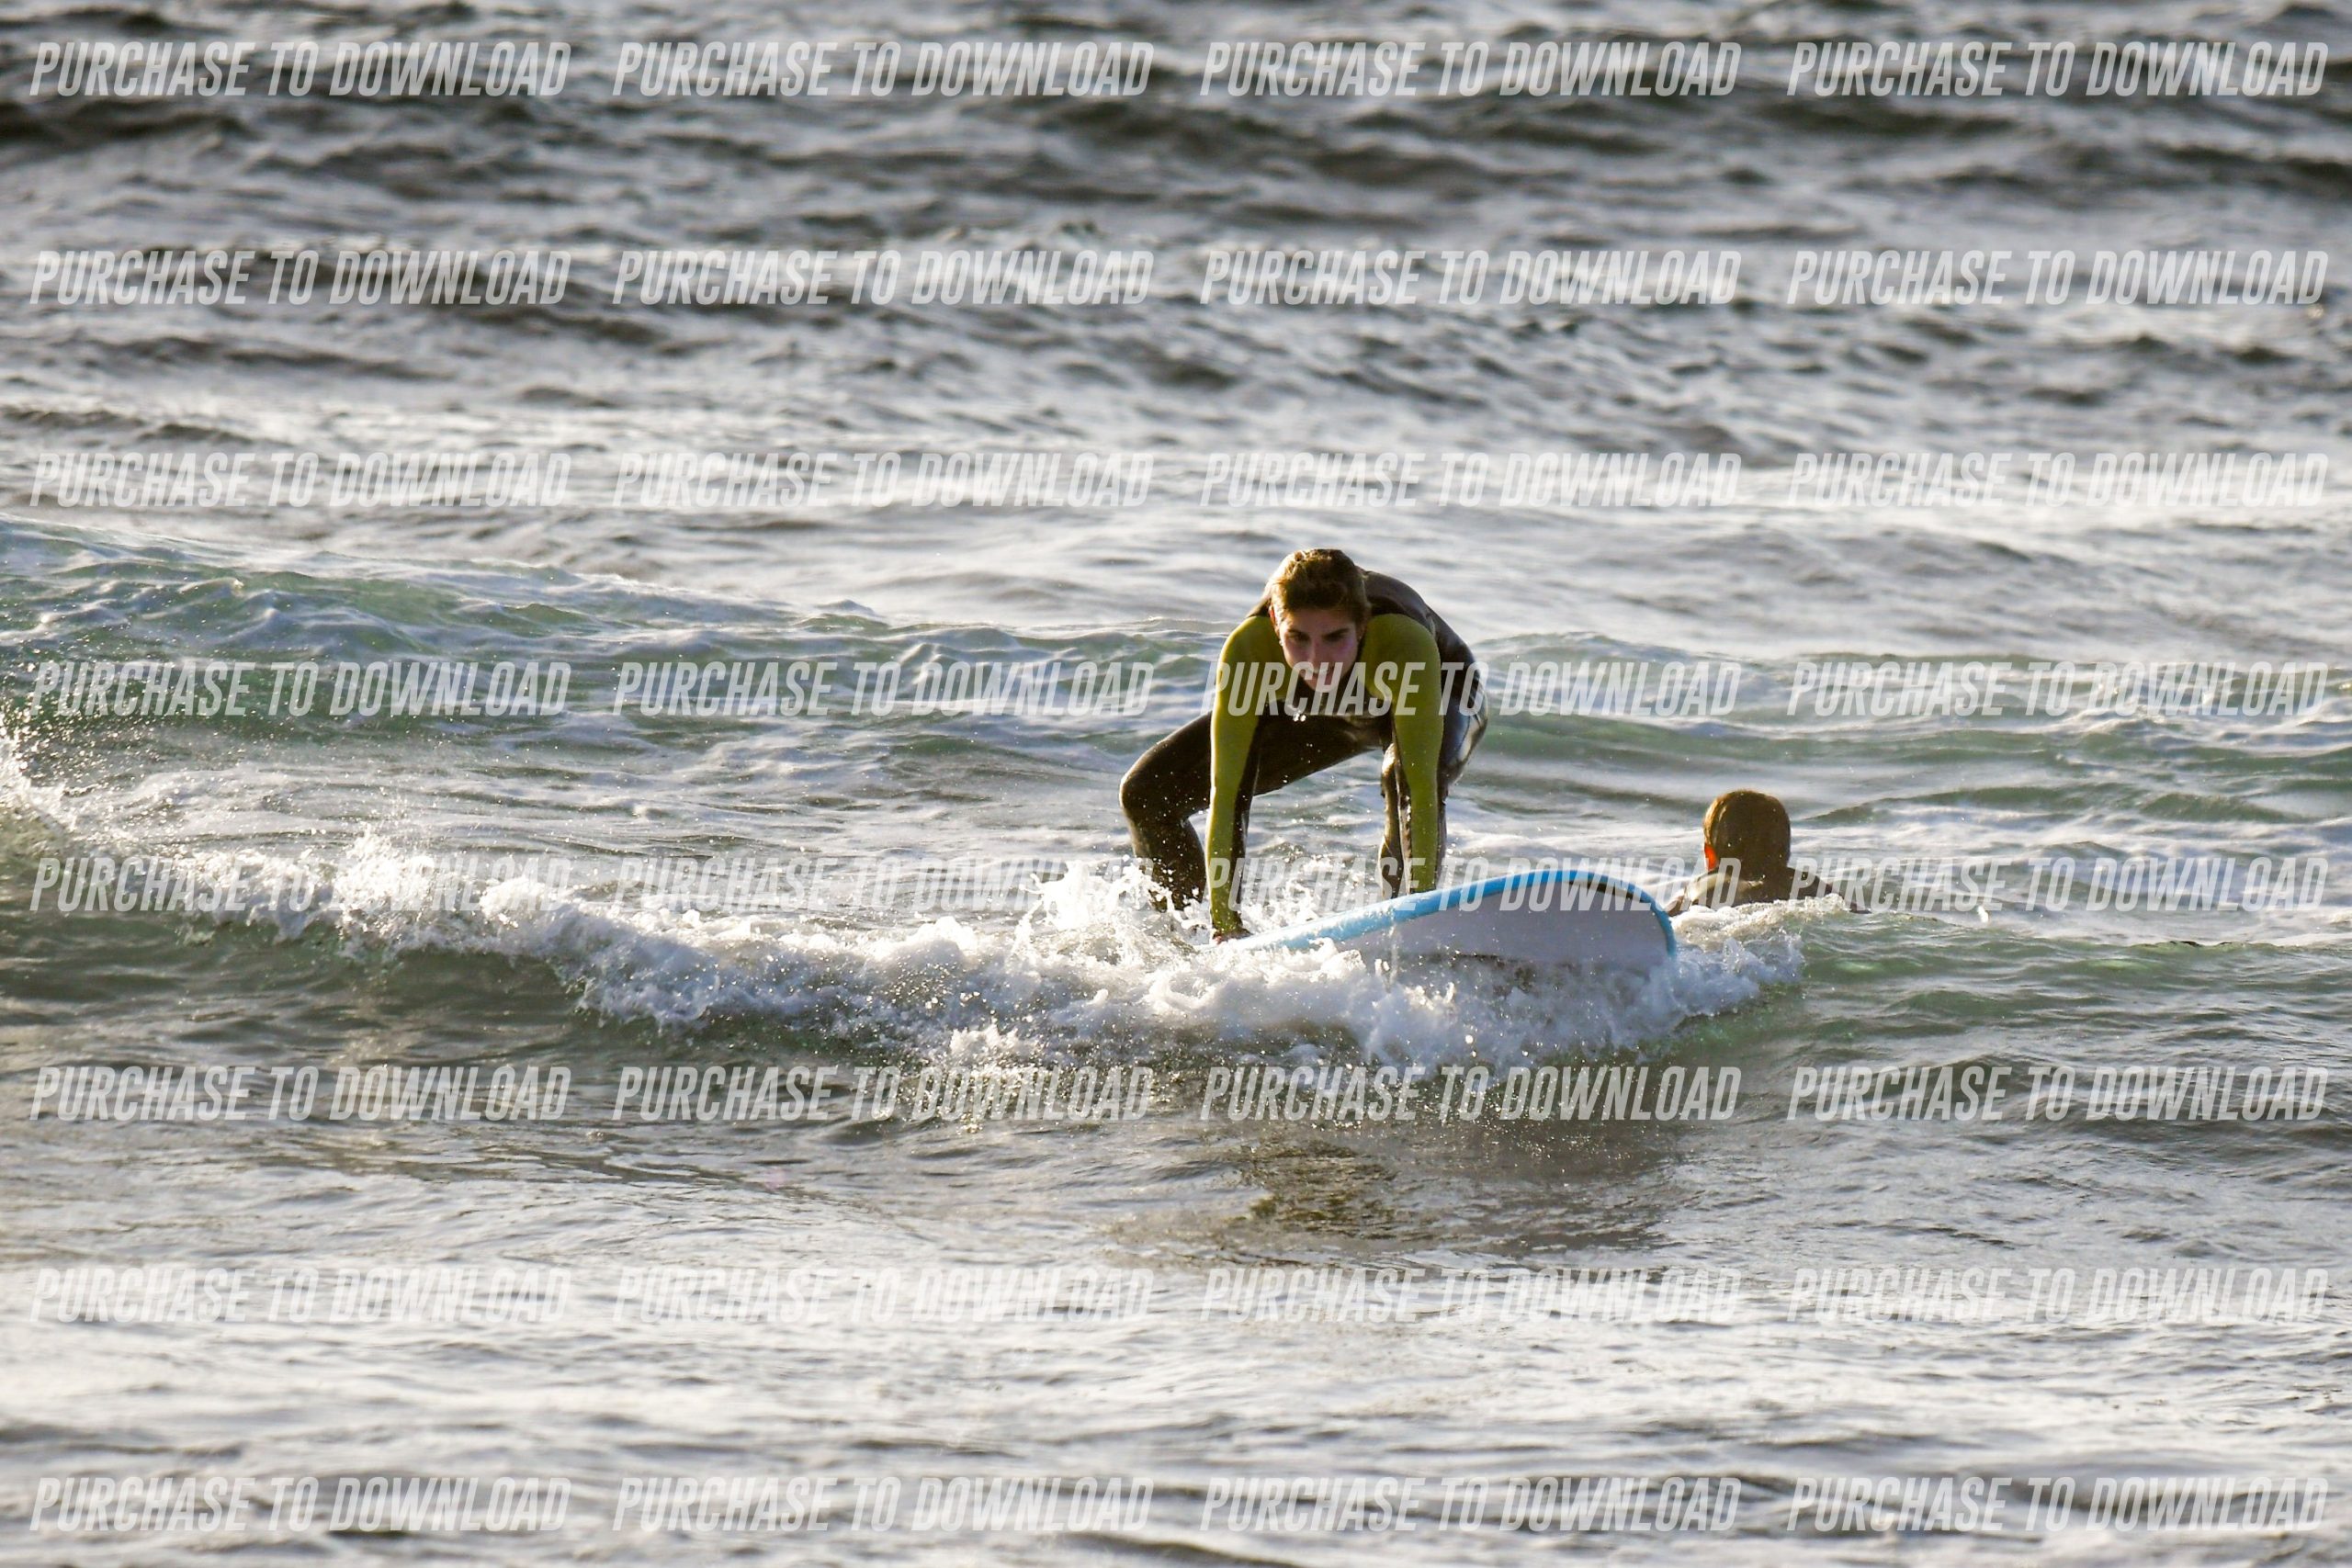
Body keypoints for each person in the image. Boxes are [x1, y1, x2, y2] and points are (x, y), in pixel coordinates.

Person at [1122, 549, 1484, 940]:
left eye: (1334, 637)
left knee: (1401, 777)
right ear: (1275, 622)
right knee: (1147, 792)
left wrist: (1419, 915)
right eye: (1297, 638)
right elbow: (1228, 794)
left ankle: (1402, 926)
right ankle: (1185, 938)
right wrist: (1226, 927)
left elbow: (1420, 790)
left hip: (1446, 694)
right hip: (1332, 712)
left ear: (1362, 625)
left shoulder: (1402, 644)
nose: (1316, 659)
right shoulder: (1249, 651)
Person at [1664, 789, 1852, 914]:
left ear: (1710, 854)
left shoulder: (1696, 890)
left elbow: (1658, 927)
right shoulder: (1813, 887)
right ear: (1785, 853)